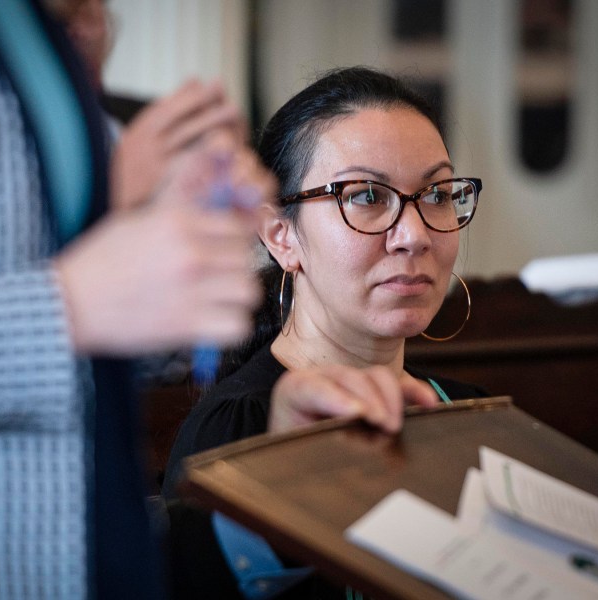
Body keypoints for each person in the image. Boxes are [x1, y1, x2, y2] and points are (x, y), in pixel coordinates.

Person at [0, 1, 273, 599]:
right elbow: (61, 308)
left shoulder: (27, 39)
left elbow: (76, 347)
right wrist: (62, 310)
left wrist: (156, 241)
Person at [162, 66, 489, 599]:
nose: (414, 235)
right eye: (366, 196)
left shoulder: (468, 410)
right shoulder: (239, 430)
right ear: (280, 235)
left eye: (436, 193)